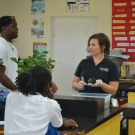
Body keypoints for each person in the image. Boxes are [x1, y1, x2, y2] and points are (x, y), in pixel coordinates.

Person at [4, 65, 78, 135]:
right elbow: (58, 124)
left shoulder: (11, 97)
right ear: (47, 86)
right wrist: (51, 95)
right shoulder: (51, 104)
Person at [0, 16, 18, 92]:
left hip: (10, 94)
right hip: (2, 95)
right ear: (4, 29)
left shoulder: (12, 47)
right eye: (14, 26)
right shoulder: (1, 44)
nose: (17, 29)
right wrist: (15, 88)